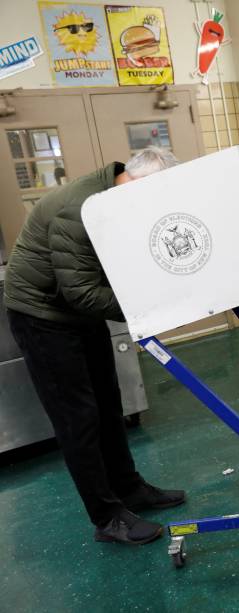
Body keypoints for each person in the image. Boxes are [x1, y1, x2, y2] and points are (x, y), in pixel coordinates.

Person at [4, 147, 185, 546]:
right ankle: (107, 517)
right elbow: (82, 292)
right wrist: (146, 309)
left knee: (108, 403)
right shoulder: (80, 210)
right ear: (138, 184)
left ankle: (130, 489)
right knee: (79, 418)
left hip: (76, 313)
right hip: (42, 316)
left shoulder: (118, 197)